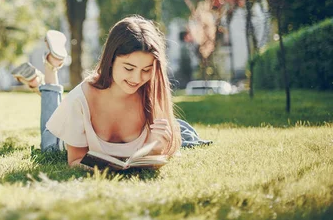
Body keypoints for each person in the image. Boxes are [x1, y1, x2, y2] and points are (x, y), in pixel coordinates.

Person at [11, 15, 210, 168]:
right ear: (110, 60)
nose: (137, 79)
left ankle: (39, 82)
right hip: (69, 129)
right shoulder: (81, 99)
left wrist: (156, 147)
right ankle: (50, 68)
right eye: (129, 68)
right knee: (49, 144)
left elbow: (157, 154)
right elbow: (76, 160)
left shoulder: (152, 93)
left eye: (146, 70)